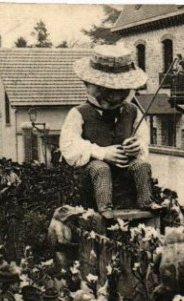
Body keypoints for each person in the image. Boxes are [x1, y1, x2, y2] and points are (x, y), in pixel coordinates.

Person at [60, 45, 153, 217]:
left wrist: (136, 146)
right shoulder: (78, 113)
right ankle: (105, 208)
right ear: (91, 86)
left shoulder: (132, 111)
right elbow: (69, 146)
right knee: (100, 168)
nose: (114, 98)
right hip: (91, 180)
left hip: (124, 175)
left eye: (120, 92)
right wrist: (101, 152)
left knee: (142, 165)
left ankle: (147, 203)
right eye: (107, 92)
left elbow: (143, 138)